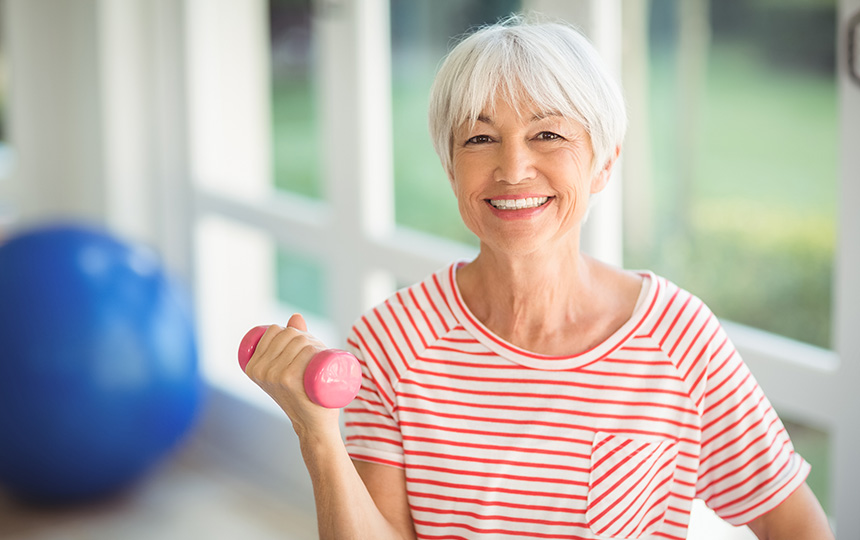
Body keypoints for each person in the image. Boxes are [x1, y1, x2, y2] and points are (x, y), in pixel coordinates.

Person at [243, 15, 834, 540]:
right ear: (452, 169)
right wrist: (317, 435)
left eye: (548, 134)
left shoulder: (679, 338)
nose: (513, 167)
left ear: (604, 163)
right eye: (479, 138)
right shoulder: (390, 341)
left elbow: (796, 525)